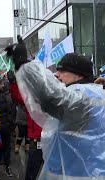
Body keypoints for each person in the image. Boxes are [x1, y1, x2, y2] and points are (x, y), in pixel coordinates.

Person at [6, 35, 105, 179]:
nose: (57, 75)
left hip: (74, 174)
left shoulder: (80, 95)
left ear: (79, 75)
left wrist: (24, 65)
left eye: (63, 70)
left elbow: (51, 97)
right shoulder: (98, 94)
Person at [8, 71, 43, 180]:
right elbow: (17, 97)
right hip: (36, 140)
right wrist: (13, 82)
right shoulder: (30, 98)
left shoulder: (51, 97)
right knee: (32, 170)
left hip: (50, 139)